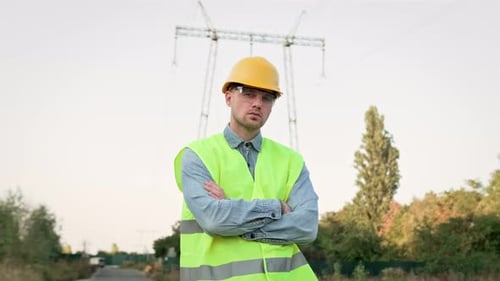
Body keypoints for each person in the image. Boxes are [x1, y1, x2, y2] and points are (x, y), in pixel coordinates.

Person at [174, 56, 319, 281]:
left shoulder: (291, 160)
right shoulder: (198, 156)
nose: (258, 103)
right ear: (228, 96)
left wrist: (233, 218)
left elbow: (307, 227)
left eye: (267, 98)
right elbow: (213, 220)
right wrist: (276, 207)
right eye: (248, 93)